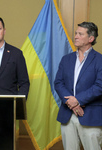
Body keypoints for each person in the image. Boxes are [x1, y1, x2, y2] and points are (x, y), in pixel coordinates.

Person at [54, 22, 102, 150]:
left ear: (91, 39)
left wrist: (78, 100)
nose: (76, 36)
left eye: (80, 34)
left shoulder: (100, 60)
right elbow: (58, 83)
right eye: (76, 33)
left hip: (91, 116)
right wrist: (72, 103)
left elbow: (99, 86)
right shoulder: (66, 59)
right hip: (67, 115)